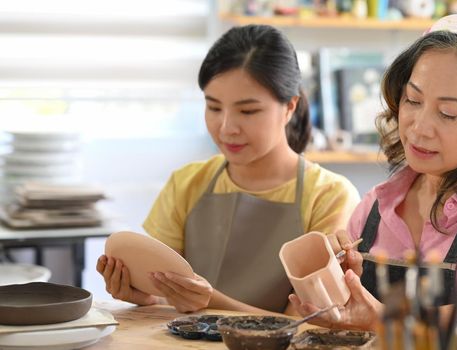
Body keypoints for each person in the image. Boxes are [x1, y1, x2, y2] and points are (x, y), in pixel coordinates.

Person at [290, 14, 457, 330]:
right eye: (413, 100)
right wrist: (337, 286)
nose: (419, 127)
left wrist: (389, 320)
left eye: (448, 114)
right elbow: (354, 320)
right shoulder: (375, 206)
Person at [97, 24, 360, 314]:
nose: (226, 128)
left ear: (289, 107)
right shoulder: (187, 183)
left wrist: (211, 302)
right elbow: (165, 296)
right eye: (213, 107)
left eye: (247, 111)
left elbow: (310, 323)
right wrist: (145, 295)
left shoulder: (330, 195)